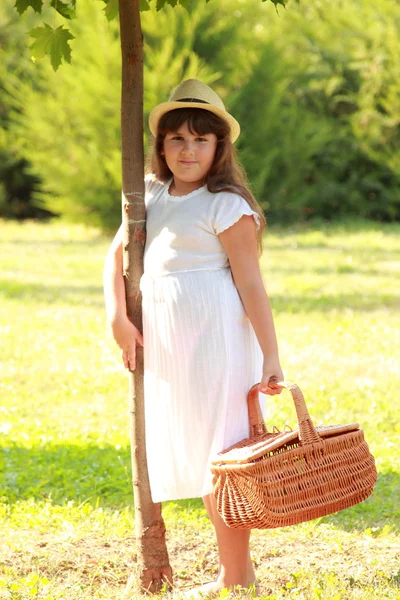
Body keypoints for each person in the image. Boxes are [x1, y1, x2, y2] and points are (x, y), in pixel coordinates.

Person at [103, 79, 284, 597]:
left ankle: (236, 574)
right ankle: (236, 574)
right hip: (167, 346)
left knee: (221, 453)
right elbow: (113, 257)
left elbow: (251, 283)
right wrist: (118, 316)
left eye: (200, 140)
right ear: (161, 146)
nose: (188, 149)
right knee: (189, 446)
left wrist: (270, 355)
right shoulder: (148, 193)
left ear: (219, 148)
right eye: (177, 139)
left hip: (217, 340)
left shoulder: (226, 205)